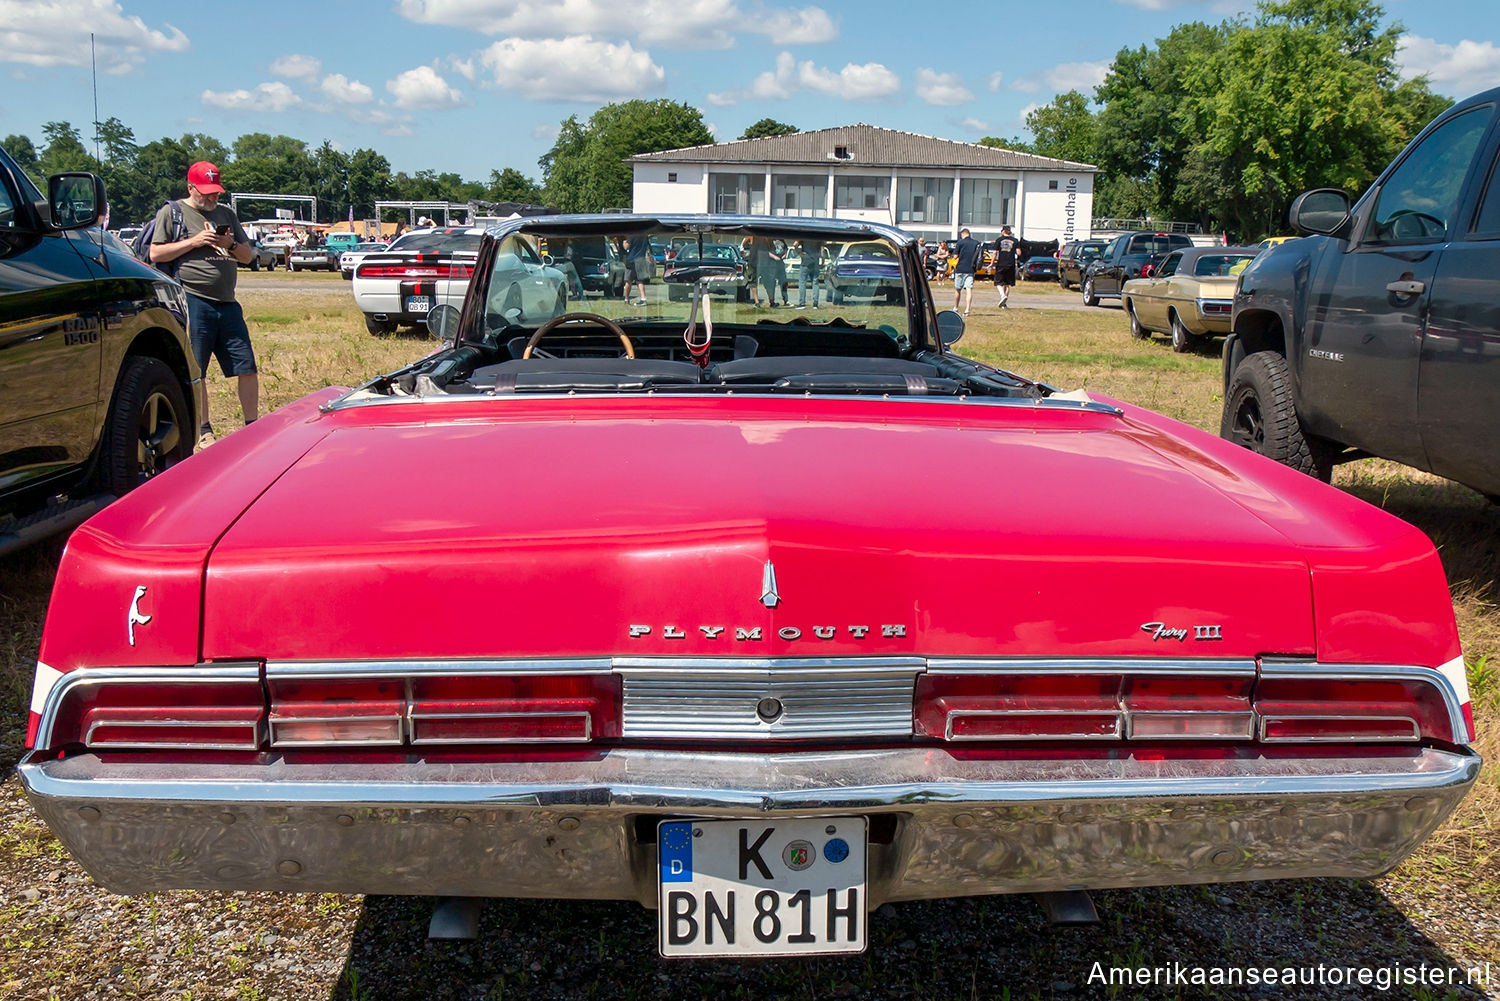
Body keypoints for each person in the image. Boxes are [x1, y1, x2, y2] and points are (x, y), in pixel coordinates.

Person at [149, 161, 256, 450]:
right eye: (205, 193)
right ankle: (203, 430)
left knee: (247, 365)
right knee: (198, 369)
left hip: (228, 302)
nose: (211, 199)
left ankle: (252, 426)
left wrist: (229, 243)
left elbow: (247, 256)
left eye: (215, 193)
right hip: (193, 299)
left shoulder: (227, 215)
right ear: (190, 188)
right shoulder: (172, 213)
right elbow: (156, 253)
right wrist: (194, 241)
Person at [951, 227, 980, 315]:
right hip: (971, 269)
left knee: (957, 289)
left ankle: (955, 307)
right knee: (969, 289)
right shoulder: (976, 243)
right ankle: (967, 309)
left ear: (962, 234)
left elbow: (955, 256)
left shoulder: (960, 242)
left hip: (960, 268)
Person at [993, 225, 1021, 308]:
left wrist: (992, 263)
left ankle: (1002, 296)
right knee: (1007, 284)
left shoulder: (999, 240)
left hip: (1001, 263)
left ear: (1003, 231)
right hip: (1011, 264)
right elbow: (1019, 252)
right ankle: (1004, 304)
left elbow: (995, 252)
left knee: (998, 282)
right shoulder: (1015, 240)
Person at [623, 236, 652, 305]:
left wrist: (624, 242)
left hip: (631, 260)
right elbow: (648, 247)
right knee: (639, 281)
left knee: (628, 281)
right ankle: (643, 299)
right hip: (641, 260)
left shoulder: (632, 235)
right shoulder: (645, 236)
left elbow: (626, 247)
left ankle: (626, 299)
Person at [796, 238, 823, 308]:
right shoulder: (819, 236)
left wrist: (799, 253)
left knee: (802, 282)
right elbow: (822, 251)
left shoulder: (804, 235)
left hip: (805, 262)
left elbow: (795, 244)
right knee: (815, 282)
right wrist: (822, 262)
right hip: (815, 262)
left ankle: (802, 303)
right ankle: (815, 304)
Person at [740, 236, 761, 306]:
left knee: (751, 281)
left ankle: (757, 301)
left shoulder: (753, 236)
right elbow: (743, 246)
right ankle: (756, 301)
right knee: (751, 280)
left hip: (755, 262)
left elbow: (743, 245)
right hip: (754, 261)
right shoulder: (751, 236)